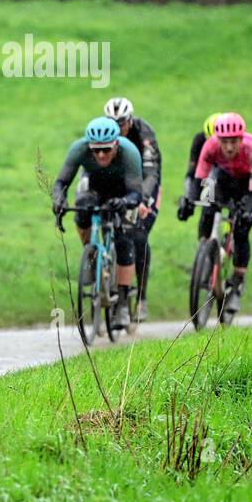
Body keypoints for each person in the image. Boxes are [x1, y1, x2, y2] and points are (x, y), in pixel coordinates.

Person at [51, 117, 143, 329]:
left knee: (124, 239)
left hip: (123, 191)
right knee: (81, 210)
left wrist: (124, 202)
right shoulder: (79, 149)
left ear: (116, 144)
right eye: (96, 150)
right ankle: (90, 255)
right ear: (89, 146)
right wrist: (59, 201)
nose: (101, 154)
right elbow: (61, 183)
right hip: (93, 187)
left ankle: (121, 302)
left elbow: (136, 193)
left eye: (106, 149)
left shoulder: (129, 153)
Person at [188, 112, 252, 315]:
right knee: (208, 206)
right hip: (225, 180)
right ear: (217, 139)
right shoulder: (209, 146)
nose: (228, 147)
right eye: (224, 142)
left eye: (234, 142)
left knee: (242, 228)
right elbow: (200, 179)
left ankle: (237, 283)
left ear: (241, 138)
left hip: (251, 186)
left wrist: (246, 211)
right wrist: (190, 201)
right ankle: (207, 253)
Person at [103, 97, 160, 322]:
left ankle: (141, 299)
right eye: (112, 123)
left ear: (131, 119)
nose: (117, 129)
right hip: (120, 183)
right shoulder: (103, 133)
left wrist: (143, 200)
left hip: (147, 182)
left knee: (138, 234)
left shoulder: (144, 133)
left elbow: (151, 172)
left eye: (122, 123)